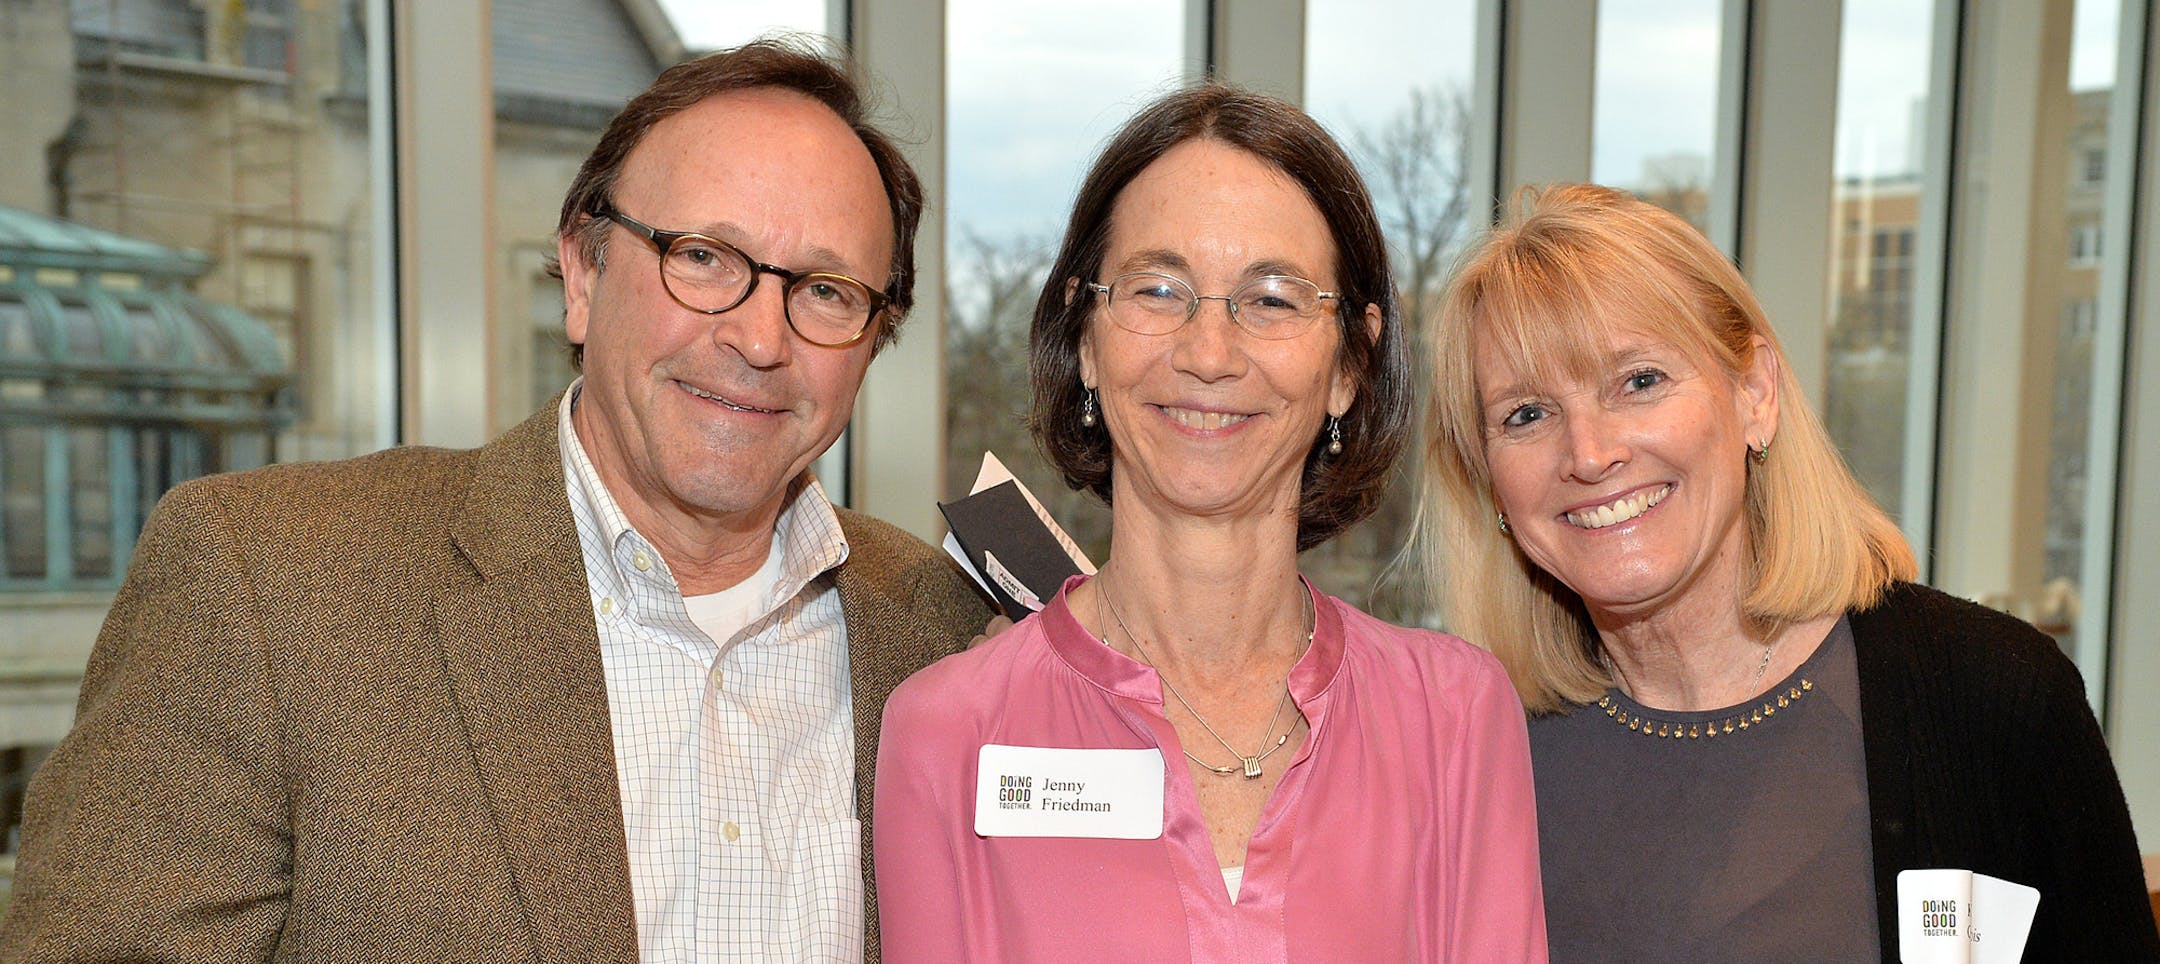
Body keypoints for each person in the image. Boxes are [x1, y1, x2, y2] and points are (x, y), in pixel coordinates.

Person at [0, 39, 992, 962]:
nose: (761, 337)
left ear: (873, 339)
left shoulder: (947, 631)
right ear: (580, 270)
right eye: (702, 257)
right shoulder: (267, 582)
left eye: (824, 289)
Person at [873, 85, 1548, 962]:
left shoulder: (1455, 714)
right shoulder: (950, 729)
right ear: (1085, 339)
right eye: (1159, 289)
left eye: (1270, 299)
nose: (1208, 353)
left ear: (1350, 363)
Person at [1421, 183, 2160, 961]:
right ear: (1487, 482)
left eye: (1638, 381)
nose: (1590, 453)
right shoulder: (1468, 759)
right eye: (1526, 415)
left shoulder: (1989, 698)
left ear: (1756, 393)